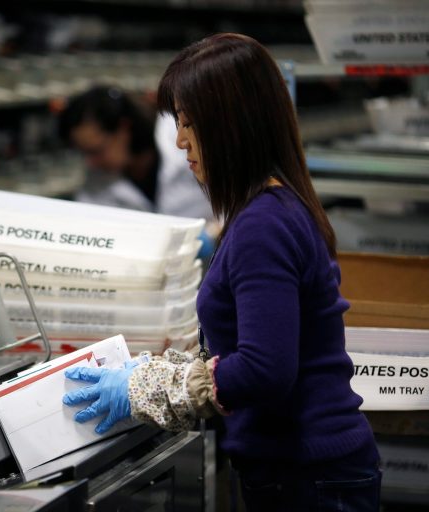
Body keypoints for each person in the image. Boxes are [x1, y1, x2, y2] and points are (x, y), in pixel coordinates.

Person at [62, 33, 381, 511]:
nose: (179, 141)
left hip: (307, 476)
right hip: (305, 469)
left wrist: (151, 386)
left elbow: (265, 369)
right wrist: (163, 368)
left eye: (190, 124)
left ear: (232, 126)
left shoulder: (263, 224)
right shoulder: (268, 209)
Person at [58, 85, 216, 257]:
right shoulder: (96, 182)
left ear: (124, 128)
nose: (91, 163)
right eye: (85, 153)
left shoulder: (182, 136)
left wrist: (215, 233)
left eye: (97, 150)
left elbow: (242, 193)